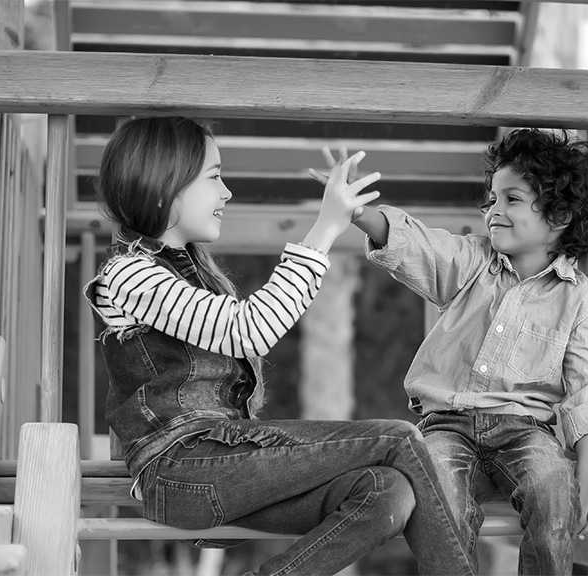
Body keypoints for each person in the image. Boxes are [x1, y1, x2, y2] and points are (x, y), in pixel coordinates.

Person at [83, 116, 474, 576]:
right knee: (399, 437)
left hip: (218, 470)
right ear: (164, 184)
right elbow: (249, 329)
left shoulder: (185, 270)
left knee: (387, 491)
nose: (227, 192)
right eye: (214, 176)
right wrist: (325, 228)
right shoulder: (129, 275)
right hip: (182, 469)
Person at [310, 129, 588, 576]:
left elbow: (586, 395)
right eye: (491, 199)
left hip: (525, 430)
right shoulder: (472, 262)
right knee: (438, 496)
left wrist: (585, 491)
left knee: (552, 486)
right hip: (446, 426)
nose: (494, 211)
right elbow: (416, 244)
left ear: (561, 214)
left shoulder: (579, 300)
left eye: (511, 199)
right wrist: (356, 211)